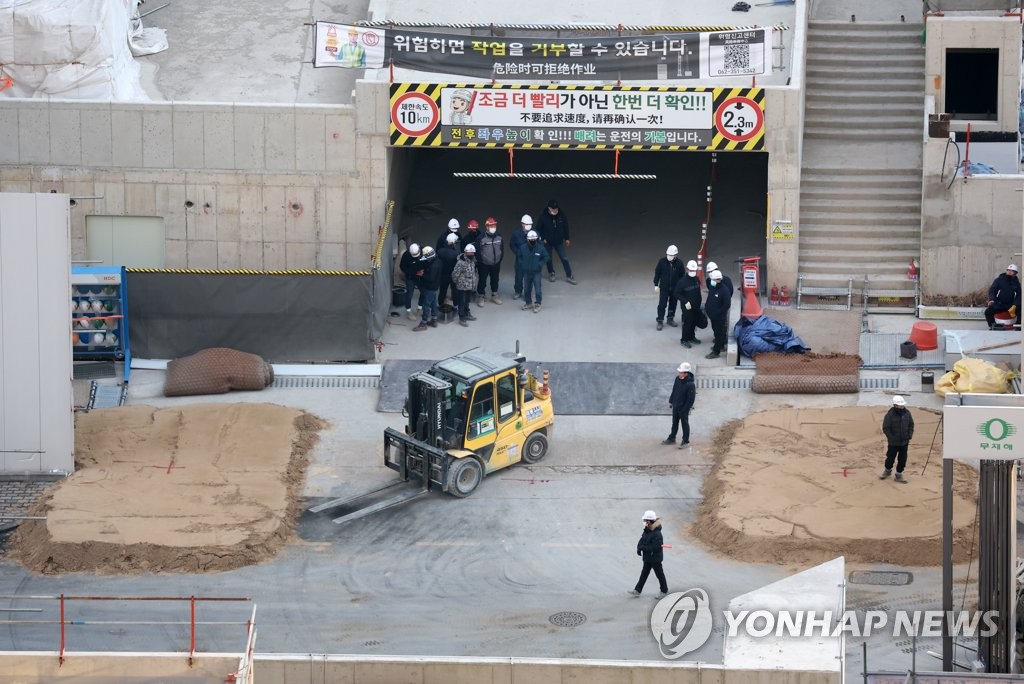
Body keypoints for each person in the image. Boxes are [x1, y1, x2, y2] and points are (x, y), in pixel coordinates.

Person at [630, 510, 668, 598]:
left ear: (650, 521)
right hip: (648, 557)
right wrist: (639, 547)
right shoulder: (647, 530)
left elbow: (655, 547)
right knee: (644, 575)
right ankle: (637, 590)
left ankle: (664, 591)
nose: (644, 522)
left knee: (659, 575)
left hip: (655, 559)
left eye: (646, 520)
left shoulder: (657, 533)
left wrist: (643, 548)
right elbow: (642, 539)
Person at [537, 199, 576, 284]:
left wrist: (567, 238)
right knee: (548, 258)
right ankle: (551, 273)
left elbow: (566, 226)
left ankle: (569, 276)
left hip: (559, 241)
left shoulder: (561, 215)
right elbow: (538, 229)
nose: (555, 210)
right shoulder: (543, 216)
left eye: (556, 209)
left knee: (564, 258)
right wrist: (543, 238)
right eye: (553, 209)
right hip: (548, 242)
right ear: (549, 208)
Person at [880, 395, 914, 484]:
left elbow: (911, 425)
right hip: (893, 443)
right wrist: (892, 438)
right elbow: (886, 428)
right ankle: (887, 471)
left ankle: (899, 475)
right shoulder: (890, 415)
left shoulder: (907, 413)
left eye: (903, 404)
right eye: (900, 405)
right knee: (890, 458)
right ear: (895, 405)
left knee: (902, 459)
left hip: (904, 442)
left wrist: (909, 435)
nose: (902, 406)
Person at [662, 362, 696, 448]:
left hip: (683, 409)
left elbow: (690, 400)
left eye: (681, 372)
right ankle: (672, 438)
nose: (679, 373)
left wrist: (685, 409)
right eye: (679, 372)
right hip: (676, 406)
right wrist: (671, 401)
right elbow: (674, 390)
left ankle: (685, 441)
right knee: (674, 423)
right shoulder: (677, 379)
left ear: (686, 373)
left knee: (684, 424)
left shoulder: (690, 385)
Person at [654, 245, 685, 330]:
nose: (669, 256)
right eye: (668, 254)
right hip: (664, 288)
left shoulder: (679, 263)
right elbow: (657, 273)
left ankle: (670, 318)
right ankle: (660, 320)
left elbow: (682, 276)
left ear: (675, 255)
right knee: (662, 304)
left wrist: (682, 287)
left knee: (673, 304)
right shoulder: (662, 262)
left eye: (671, 255)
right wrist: (656, 284)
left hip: (675, 288)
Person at [518, 229, 549, 313]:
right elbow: (519, 257)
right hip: (527, 273)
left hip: (536, 273)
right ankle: (528, 303)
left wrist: (540, 264)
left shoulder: (540, 248)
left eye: (534, 240)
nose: (532, 241)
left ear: (536, 239)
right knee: (527, 289)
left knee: (538, 289)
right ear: (527, 239)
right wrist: (522, 264)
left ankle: (538, 303)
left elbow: (546, 257)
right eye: (531, 240)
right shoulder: (523, 248)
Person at [674, 259, 703, 348]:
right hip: (687, 307)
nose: (693, 272)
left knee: (693, 323)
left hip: (696, 306)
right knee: (687, 323)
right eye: (691, 270)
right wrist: (685, 301)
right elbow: (676, 294)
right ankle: (684, 340)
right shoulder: (682, 281)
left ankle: (692, 337)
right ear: (687, 269)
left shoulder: (696, 279)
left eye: (694, 270)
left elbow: (698, 292)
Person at [475, 217, 504, 306]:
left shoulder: (499, 236)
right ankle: (481, 296)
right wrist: (481, 262)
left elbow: (502, 249)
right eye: (491, 225)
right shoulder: (481, 238)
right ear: (487, 227)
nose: (493, 227)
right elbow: (477, 251)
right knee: (482, 280)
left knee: (495, 279)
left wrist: (499, 260)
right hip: (484, 264)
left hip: (496, 264)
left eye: (494, 225)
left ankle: (494, 295)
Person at [704, 269, 731, 360]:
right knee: (716, 331)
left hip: (719, 317)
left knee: (719, 334)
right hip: (713, 316)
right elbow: (709, 299)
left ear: (718, 280)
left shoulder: (724, 291)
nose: (711, 281)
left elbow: (727, 305)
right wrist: (707, 309)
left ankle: (716, 351)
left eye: (713, 280)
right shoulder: (713, 288)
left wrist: (718, 313)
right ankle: (721, 345)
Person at [984, 263, 1021, 330]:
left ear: (1015, 273)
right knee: (988, 312)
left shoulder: (1017, 283)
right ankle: (994, 327)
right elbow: (992, 291)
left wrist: (1015, 305)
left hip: (1011, 306)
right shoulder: (999, 280)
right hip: (999, 304)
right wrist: (992, 300)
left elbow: (1019, 295)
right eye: (1008, 270)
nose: (1009, 272)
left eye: (1011, 271)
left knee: (1021, 311)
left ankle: (1018, 328)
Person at [413, 247, 441, 331]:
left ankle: (423, 323)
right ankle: (434, 320)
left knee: (426, 305)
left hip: (430, 287)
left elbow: (430, 278)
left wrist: (422, 275)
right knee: (433, 303)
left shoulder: (434, 265)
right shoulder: (437, 261)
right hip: (434, 286)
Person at [451, 244, 479, 327]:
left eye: (472, 253)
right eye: (469, 253)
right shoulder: (460, 262)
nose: (471, 254)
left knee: (467, 301)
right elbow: (455, 274)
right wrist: (458, 282)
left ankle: (467, 313)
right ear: (465, 252)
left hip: (470, 286)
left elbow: (474, 272)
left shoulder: (473, 260)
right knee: (461, 302)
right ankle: (462, 317)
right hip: (462, 286)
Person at [510, 214, 532, 300]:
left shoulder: (534, 233)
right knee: (519, 277)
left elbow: (539, 245)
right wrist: (518, 253)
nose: (528, 226)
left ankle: (527, 293)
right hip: (520, 260)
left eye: (529, 224)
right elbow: (512, 245)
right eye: (526, 224)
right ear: (522, 224)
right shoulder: (516, 234)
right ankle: (518, 291)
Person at [436, 233, 460, 307]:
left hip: (442, 275)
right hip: (452, 276)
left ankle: (440, 304)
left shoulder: (439, 251)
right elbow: (457, 267)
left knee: (442, 291)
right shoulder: (456, 254)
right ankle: (456, 306)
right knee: (455, 291)